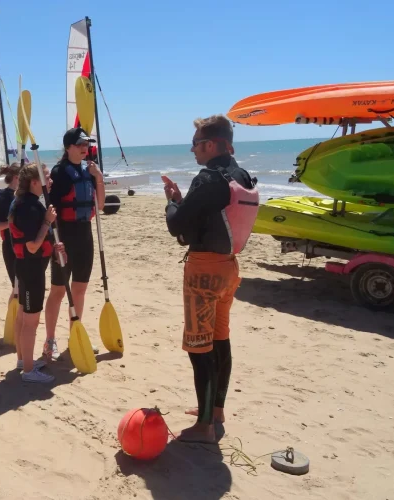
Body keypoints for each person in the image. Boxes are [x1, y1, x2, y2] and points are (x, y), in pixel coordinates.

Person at [163, 114, 258, 443]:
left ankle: (203, 426)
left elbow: (178, 226)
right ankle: (216, 411)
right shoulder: (242, 176)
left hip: (203, 271)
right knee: (221, 338)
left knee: (198, 349)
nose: (192, 150)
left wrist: (172, 202)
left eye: (196, 144)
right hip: (230, 268)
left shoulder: (207, 178)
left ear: (211, 145)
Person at [42, 127, 105, 361]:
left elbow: (100, 205)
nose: (84, 147)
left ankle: (74, 335)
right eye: (80, 144)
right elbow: (51, 211)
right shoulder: (59, 173)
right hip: (63, 237)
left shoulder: (89, 171)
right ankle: (50, 340)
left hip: (84, 235)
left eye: (86, 144)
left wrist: (98, 178)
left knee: (80, 288)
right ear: (68, 147)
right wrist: (55, 240)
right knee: (58, 290)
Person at [8, 164, 66, 382]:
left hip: (28, 267)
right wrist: (47, 222)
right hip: (30, 269)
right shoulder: (27, 207)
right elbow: (32, 245)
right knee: (30, 320)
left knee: (24, 314)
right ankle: (28, 371)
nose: (50, 181)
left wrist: (54, 246)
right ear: (34, 182)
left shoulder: (28, 203)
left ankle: (25, 360)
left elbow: (38, 241)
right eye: (47, 178)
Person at [0, 163, 21, 293]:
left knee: (23, 289)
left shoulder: (25, 195)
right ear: (16, 177)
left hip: (26, 247)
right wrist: (11, 223)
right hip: (10, 246)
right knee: (17, 289)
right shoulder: (3, 198)